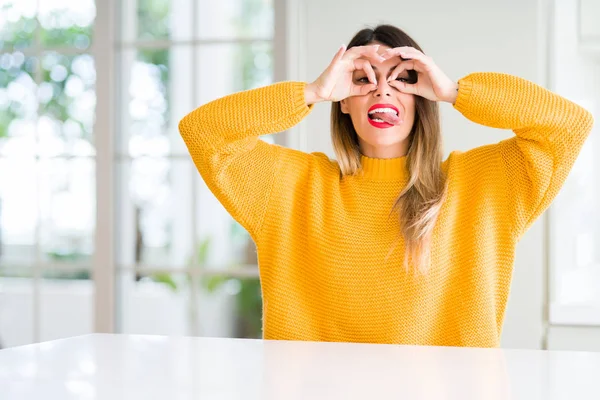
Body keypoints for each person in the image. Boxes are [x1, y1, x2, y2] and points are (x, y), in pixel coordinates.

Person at [178, 24, 594, 347]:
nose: (382, 89)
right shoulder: (291, 186)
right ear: (343, 101)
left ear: (422, 96)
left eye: (402, 78)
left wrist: (454, 91)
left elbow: (568, 125)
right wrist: (311, 92)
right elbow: (203, 132)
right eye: (362, 80)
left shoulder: (483, 184)